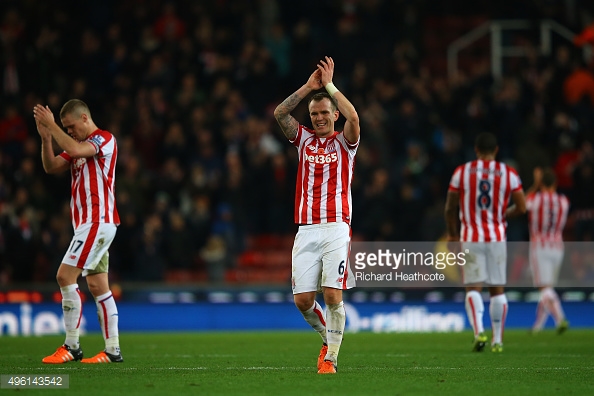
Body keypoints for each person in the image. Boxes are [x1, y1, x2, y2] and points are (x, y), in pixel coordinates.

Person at [273, 56, 360, 374]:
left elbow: (354, 116)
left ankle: (331, 359)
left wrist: (330, 86)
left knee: (333, 294)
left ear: (334, 114)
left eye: (325, 113)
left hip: (336, 226)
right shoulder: (304, 139)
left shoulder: (345, 143)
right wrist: (309, 87)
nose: (320, 118)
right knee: (303, 301)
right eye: (314, 114)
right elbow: (280, 113)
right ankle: (327, 338)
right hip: (306, 229)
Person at [33, 99, 123, 364]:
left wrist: (52, 125)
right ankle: (112, 351)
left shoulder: (103, 140)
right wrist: (46, 137)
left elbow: (73, 147)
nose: (69, 131)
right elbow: (50, 167)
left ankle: (72, 346)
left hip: (98, 221)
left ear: (84, 118)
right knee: (97, 285)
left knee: (64, 275)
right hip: (88, 225)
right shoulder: (77, 148)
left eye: (70, 126)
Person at [444, 132, 526, 353]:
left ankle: (479, 330)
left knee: (473, 288)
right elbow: (522, 207)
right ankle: (497, 341)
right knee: (497, 291)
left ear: (476, 150)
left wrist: (452, 236)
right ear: (496, 150)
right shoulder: (508, 173)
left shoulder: (462, 173)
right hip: (497, 238)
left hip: (471, 236)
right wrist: (501, 214)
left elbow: (450, 208)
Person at [526, 167, 570, 334]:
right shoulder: (564, 201)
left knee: (544, 288)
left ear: (542, 183)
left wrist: (535, 184)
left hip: (540, 246)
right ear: (556, 183)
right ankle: (538, 326)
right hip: (558, 246)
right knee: (548, 288)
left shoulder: (536, 200)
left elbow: (523, 202)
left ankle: (561, 319)